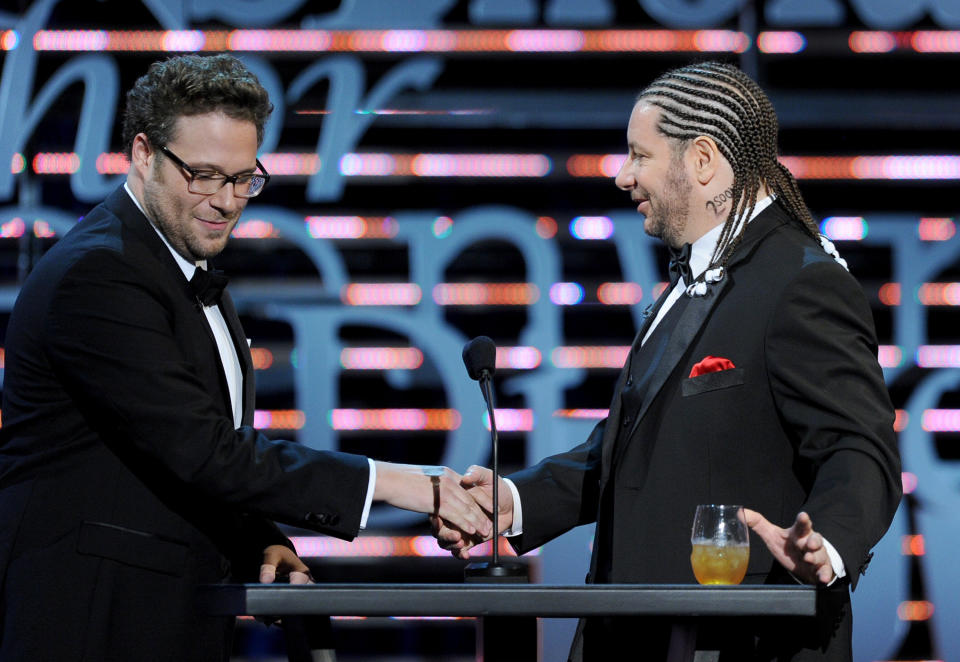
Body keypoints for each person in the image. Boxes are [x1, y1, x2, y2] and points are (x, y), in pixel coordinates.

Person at [0, 54, 490, 662]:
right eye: (203, 176)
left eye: (243, 178)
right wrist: (406, 483)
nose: (227, 201)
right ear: (144, 154)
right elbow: (202, 449)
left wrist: (255, 536)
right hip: (90, 620)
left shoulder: (178, 262)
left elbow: (165, 458)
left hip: (164, 613)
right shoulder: (99, 276)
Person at [433, 61, 902, 661]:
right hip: (640, 631)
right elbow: (634, 448)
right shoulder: (699, 276)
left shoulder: (801, 282)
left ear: (702, 161)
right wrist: (517, 502)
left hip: (737, 640)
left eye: (640, 155)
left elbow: (860, 444)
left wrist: (828, 542)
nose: (623, 176)